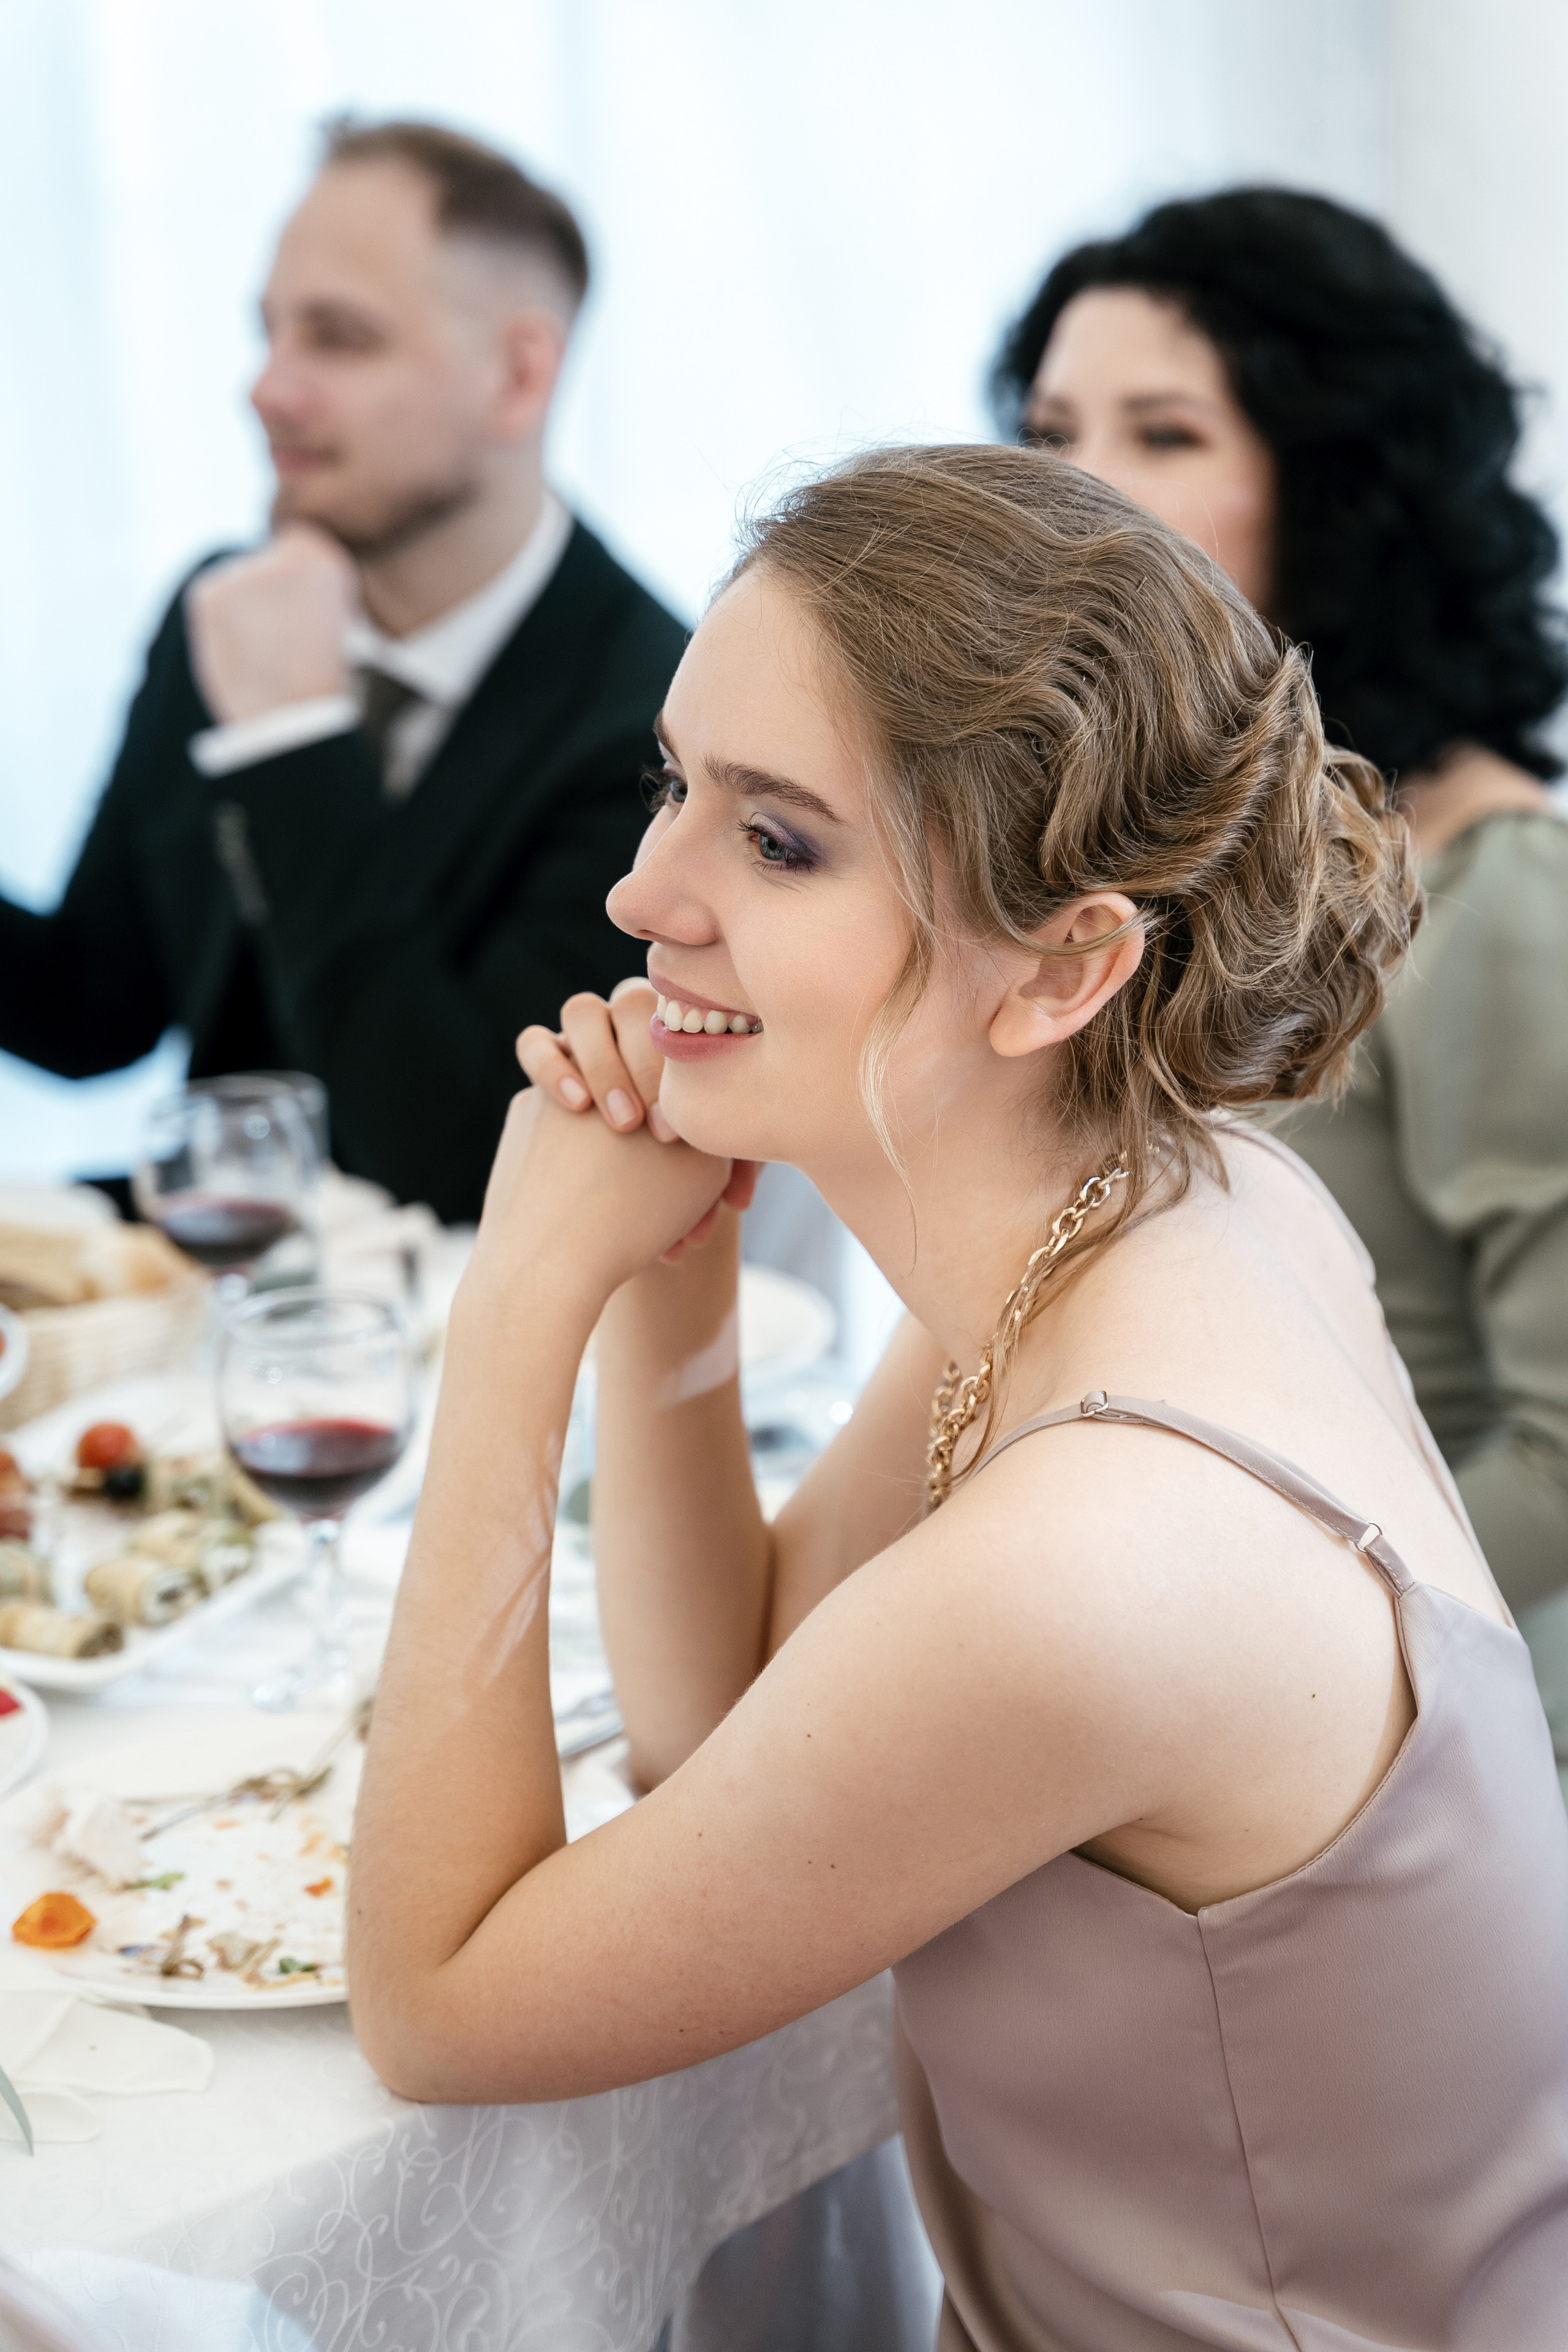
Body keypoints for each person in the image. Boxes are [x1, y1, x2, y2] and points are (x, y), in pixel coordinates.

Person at [347, 447, 1568, 2348]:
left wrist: (514, 1308)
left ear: (1062, 967)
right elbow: (723, 1719)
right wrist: (675, 1267)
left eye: (777, 840)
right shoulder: (1163, 1198)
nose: (640, 890)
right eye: (677, 784)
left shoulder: (1092, 1564)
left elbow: (436, 2011)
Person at [992, 187, 1568, 1646]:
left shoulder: (1496, 901)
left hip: (1395, 1712)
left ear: (1337, 488)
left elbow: (1560, 1462)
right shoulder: (1145, 861)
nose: (1081, 492)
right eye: (1053, 434)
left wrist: (1231, 1651)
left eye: (1165, 434)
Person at [0, 119, 685, 1224]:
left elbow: (457, 1160)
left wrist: (291, 752)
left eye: (339, 339)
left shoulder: (662, 718)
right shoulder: (221, 611)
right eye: (267, 334)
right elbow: (97, 1010)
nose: (266, 390)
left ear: (518, 376)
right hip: (206, 1295)